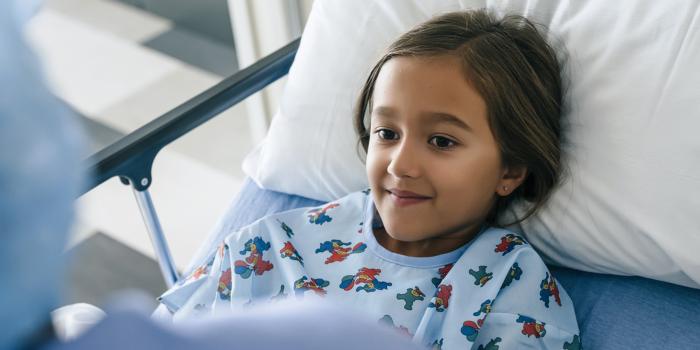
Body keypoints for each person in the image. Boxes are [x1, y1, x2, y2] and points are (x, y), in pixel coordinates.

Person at [159, 9, 581, 349]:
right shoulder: (268, 249)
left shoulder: (512, 293)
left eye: (440, 141)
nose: (400, 165)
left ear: (509, 171)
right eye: (387, 133)